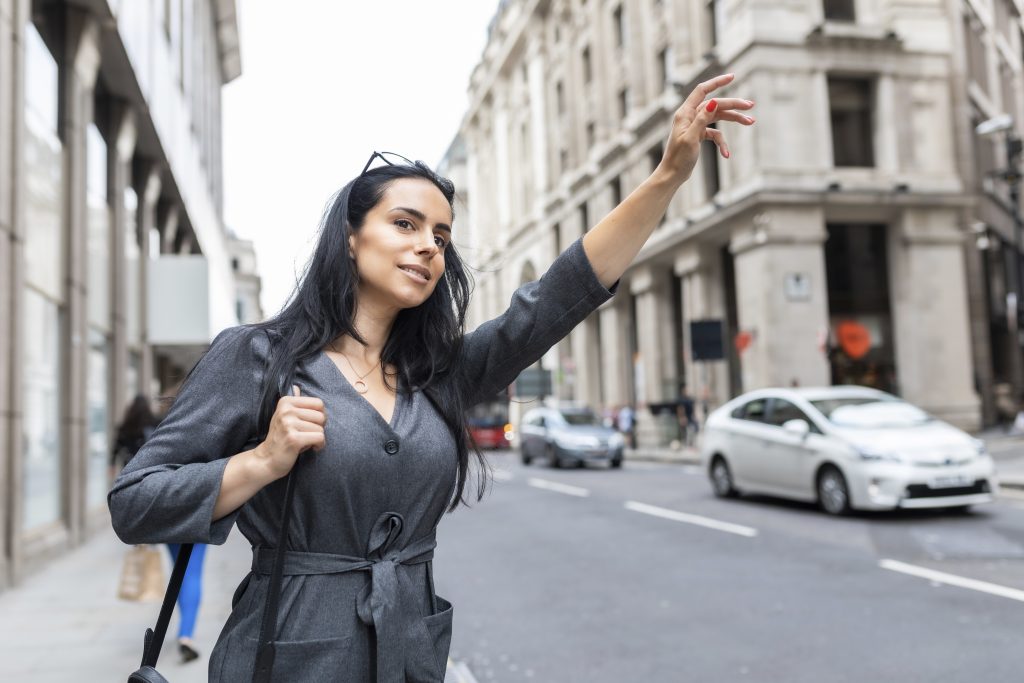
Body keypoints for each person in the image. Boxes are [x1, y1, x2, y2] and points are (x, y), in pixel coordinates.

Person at [108, 74, 753, 682]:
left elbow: (557, 297)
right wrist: (261, 461)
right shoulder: (256, 356)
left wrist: (668, 175)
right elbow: (135, 502)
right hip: (291, 654)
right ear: (352, 239)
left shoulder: (440, 373)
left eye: (441, 237)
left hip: (409, 652)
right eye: (406, 224)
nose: (429, 247)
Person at [113, 394, 207, 663]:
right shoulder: (182, 431)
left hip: (161, 509)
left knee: (179, 570)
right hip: (193, 507)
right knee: (193, 573)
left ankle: (184, 629)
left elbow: (116, 461)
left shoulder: (127, 430)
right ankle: (186, 634)